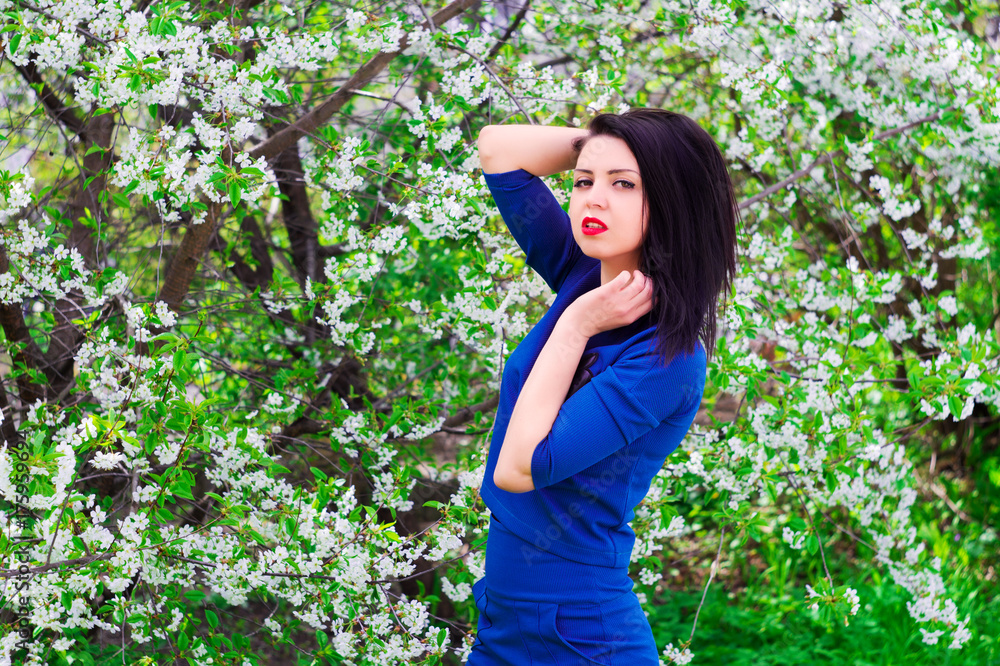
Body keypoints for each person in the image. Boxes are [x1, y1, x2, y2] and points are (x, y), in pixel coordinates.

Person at [468, 109, 740, 665]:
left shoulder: (667, 359)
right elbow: (498, 148)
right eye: (583, 181)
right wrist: (600, 146)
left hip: (580, 633)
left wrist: (576, 326)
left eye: (624, 185)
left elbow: (518, 470)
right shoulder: (580, 274)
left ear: (672, 201)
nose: (593, 199)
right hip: (504, 616)